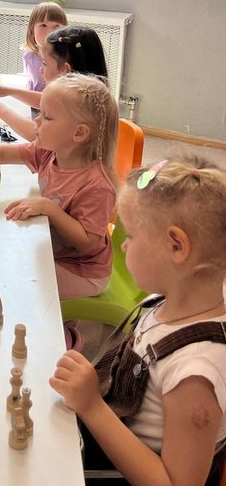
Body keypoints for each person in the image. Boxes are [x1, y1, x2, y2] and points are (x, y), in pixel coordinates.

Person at [50, 157, 226, 486]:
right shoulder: (167, 302)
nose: (124, 244)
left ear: (176, 246)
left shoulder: (196, 375)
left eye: (130, 235)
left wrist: (93, 407)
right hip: (106, 430)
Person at [0, 73, 118, 299]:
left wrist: (49, 208)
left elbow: (87, 243)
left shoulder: (97, 186)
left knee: (14, 282)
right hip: (54, 250)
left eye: (47, 117)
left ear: (79, 133)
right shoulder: (49, 152)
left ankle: (55, 324)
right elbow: (2, 152)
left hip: (82, 271)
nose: (36, 122)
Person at [0, 24, 108, 142]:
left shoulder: (77, 107)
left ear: (66, 69)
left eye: (45, 63)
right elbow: (45, 100)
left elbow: (39, 135)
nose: (41, 69)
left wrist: (1, 111)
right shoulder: (87, 97)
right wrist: (10, 91)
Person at [21, 1, 68, 117]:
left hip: (54, 112)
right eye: (43, 25)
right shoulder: (29, 56)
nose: (50, 32)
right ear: (32, 31)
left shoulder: (65, 60)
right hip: (32, 106)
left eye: (57, 26)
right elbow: (29, 80)